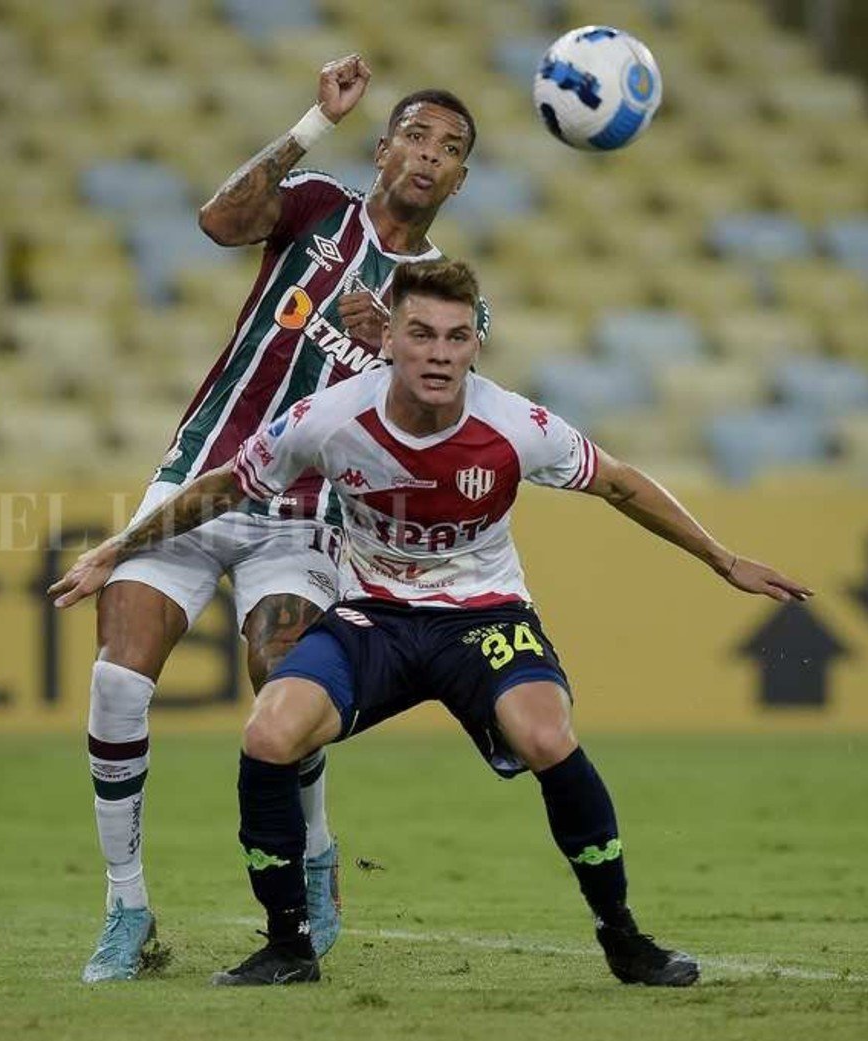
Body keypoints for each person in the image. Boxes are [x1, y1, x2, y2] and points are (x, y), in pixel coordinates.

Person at [52, 258, 811, 987]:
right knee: (266, 732)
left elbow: (619, 484)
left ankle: (624, 936)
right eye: (420, 334)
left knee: (546, 735)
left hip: (483, 618)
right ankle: (287, 945)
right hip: (373, 616)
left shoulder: (517, 425)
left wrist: (721, 557)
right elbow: (223, 486)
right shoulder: (327, 418)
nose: (438, 354)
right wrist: (116, 550)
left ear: (474, 345)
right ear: (387, 340)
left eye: (455, 337)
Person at [77, 53, 487, 982]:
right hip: (195, 478)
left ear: (461, 179)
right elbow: (218, 219)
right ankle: (126, 908)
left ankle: (314, 850)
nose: (428, 155)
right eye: (415, 135)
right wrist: (311, 121)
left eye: (451, 148)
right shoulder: (315, 207)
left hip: (301, 520)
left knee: (279, 682)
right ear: (382, 149)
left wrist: (393, 350)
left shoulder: (446, 300)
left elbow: (442, 419)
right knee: (117, 681)